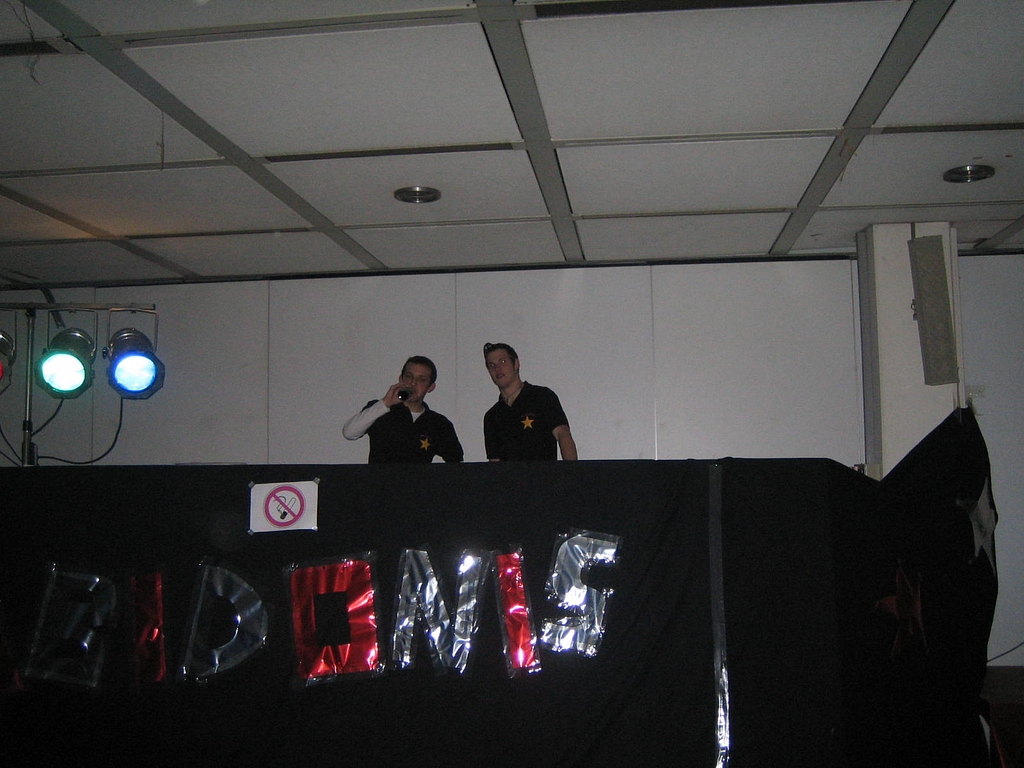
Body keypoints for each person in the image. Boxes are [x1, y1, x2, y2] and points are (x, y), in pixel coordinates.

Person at [343, 356, 463, 463]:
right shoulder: (381, 409)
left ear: (430, 387)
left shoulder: (438, 423)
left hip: (417, 482)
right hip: (379, 481)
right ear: (401, 379)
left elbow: (457, 464)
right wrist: (386, 402)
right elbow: (349, 433)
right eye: (409, 376)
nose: (413, 383)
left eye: (421, 379)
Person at [482, 342, 577, 461]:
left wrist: (572, 471)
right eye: (491, 365)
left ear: (516, 364)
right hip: (510, 475)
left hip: (544, 473)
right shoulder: (492, 417)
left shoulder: (543, 397)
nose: (497, 368)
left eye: (503, 361)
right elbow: (494, 463)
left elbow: (563, 435)